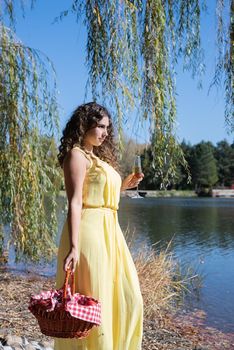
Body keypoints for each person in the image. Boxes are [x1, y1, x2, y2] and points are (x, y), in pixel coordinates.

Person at [55, 102, 144, 350]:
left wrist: (126, 183)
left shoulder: (96, 157)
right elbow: (75, 203)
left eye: (108, 127)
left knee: (130, 296)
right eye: (100, 126)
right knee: (95, 298)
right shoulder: (76, 155)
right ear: (85, 125)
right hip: (89, 233)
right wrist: (73, 247)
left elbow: (106, 194)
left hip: (111, 231)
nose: (105, 133)